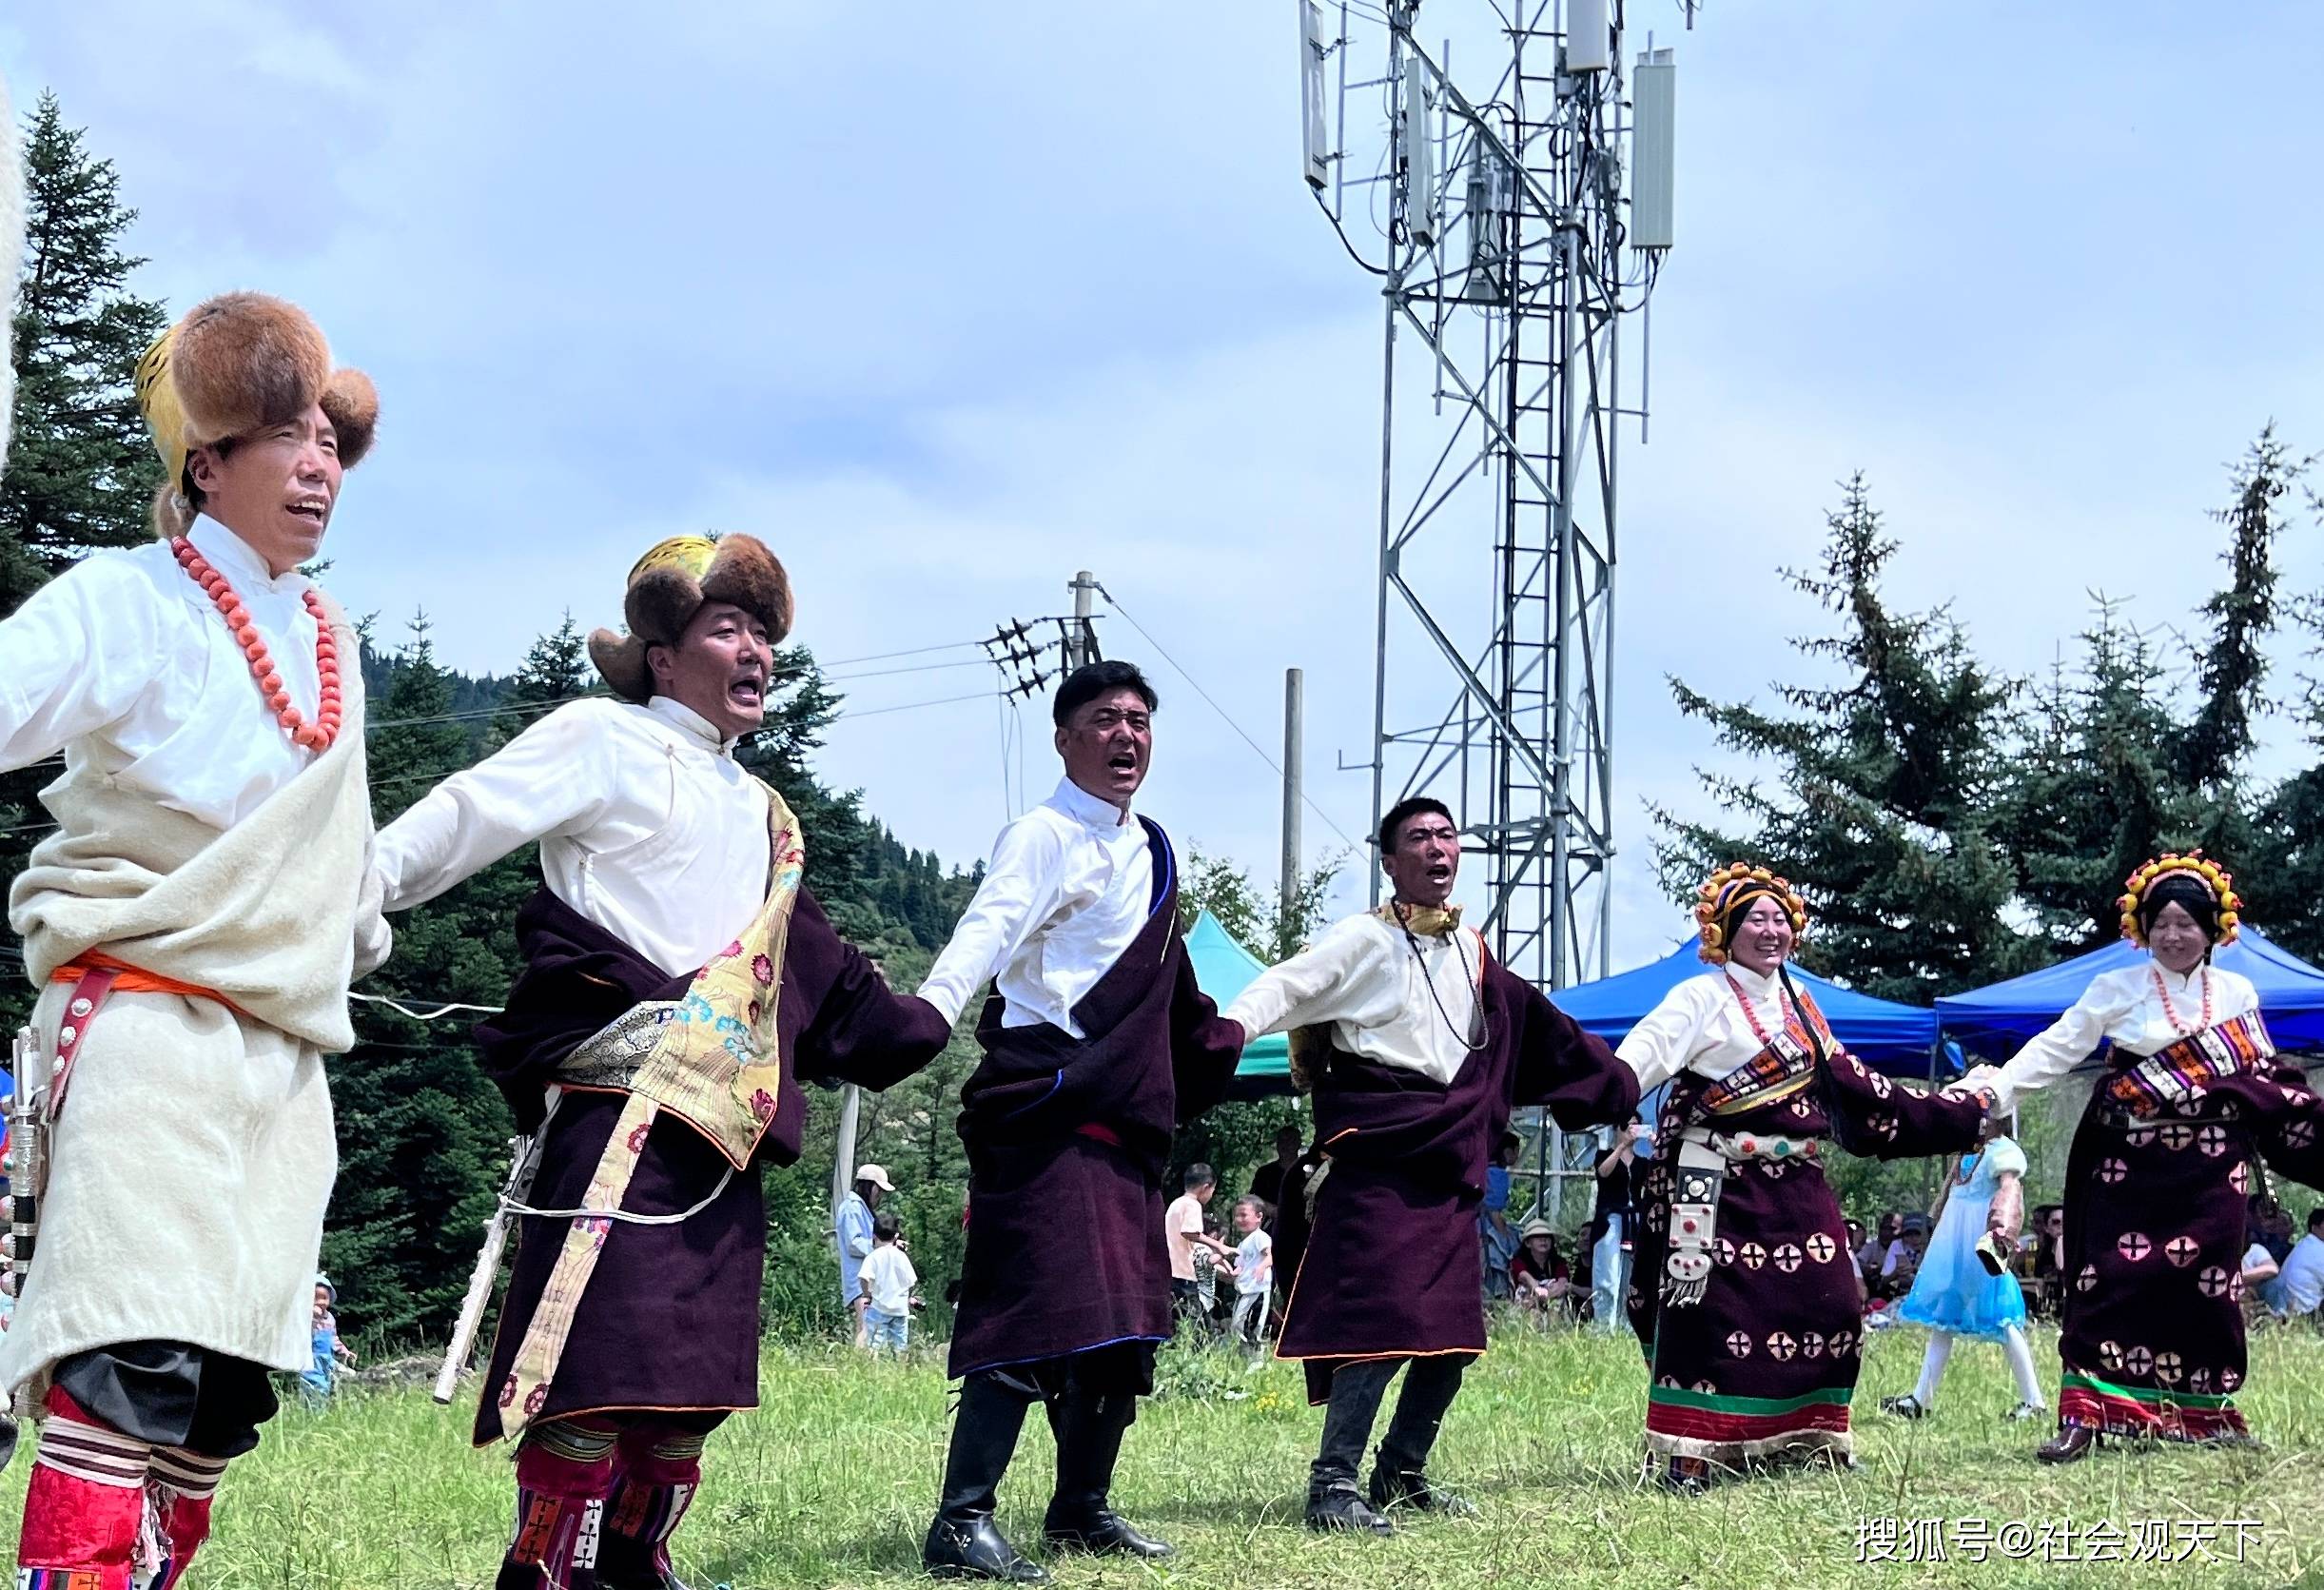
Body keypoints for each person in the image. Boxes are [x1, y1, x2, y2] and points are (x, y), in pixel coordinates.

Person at [371, 533, 952, 1590]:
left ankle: (641, 1564)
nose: (755, 651)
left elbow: (836, 987)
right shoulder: (602, 736)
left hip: (722, 1129)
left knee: (687, 1393)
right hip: (619, 1112)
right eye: (727, 628)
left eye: (764, 633)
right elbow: (466, 814)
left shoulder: (765, 816)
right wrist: (346, 894)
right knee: (596, 1381)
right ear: (662, 655)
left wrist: (948, 998)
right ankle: (546, 1573)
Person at [0, 293, 387, 1589]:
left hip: (283, 1053)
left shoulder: (330, 637)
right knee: (132, 1357)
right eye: (285, 435)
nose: (318, 464)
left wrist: (358, 924)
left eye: (329, 438)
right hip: (148, 1026)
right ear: (206, 461)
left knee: (221, 1392)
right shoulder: (125, 597)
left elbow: (340, 846)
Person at [913, 659, 1245, 1582]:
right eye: (1104, 718)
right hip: (1045, 1111)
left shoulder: (1154, 852)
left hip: (1122, 1126)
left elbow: (1170, 989)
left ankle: (1081, 1510)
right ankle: (960, 1522)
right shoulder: (1042, 834)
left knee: (1121, 1328)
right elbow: (986, 929)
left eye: (1139, 719)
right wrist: (931, 1008)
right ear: (1065, 739)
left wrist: (1222, 1039)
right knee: (1029, 1310)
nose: (1126, 734)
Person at [1225, 796, 1638, 1535]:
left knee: (1451, 1339)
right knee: (1377, 1329)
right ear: (1389, 860)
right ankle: (1331, 1486)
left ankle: (1401, 1472)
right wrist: (1225, 1032)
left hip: (1448, 1167)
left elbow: (1543, 1028)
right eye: (1418, 837)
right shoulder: (1362, 938)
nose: (1437, 847)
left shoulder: (1473, 950)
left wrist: (1615, 1080)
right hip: (1379, 1161)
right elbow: (1286, 986)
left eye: (1446, 834)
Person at [1616, 864, 1993, 1491]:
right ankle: (1690, 1449)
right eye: (1754, 919)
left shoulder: (1802, 1007)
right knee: (1704, 1311)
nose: (1770, 930)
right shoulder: (1699, 997)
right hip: (1712, 1183)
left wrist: (1957, 1111)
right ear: (1724, 930)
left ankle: (1809, 1436)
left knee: (1833, 1302)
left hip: (1794, 1180)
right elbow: (1642, 1055)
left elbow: (1860, 1091)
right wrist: (1605, 1088)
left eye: (1779, 919)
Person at [1965, 853, 2324, 1462]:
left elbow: (2261, 1079)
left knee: (2207, 1288)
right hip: (2126, 1161)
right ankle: (2086, 1414)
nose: (2173, 936)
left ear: (2212, 929)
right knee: (2107, 1279)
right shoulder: (2117, 987)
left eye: (2186, 923)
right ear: (2142, 928)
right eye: (2161, 923)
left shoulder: (2237, 992)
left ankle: (2205, 1414)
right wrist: (1991, 1093)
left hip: (2212, 1168)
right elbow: (2057, 1048)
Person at [1882, 1117, 2045, 1423]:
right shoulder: (1968, 1151)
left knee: (2002, 1319)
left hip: (1980, 1245)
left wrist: (2002, 1229)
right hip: (1955, 1246)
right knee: (1944, 1319)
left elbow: (2010, 1189)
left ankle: (2034, 1401)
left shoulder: (2002, 1152)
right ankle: (1921, 1398)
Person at [1589, 1118, 1648, 1335]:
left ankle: (1627, 1326)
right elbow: (1603, 1172)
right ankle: (1604, 1328)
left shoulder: (1642, 1162)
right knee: (1608, 1272)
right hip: (1610, 1220)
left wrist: (1657, 1144)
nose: (1631, 1130)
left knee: (1632, 1275)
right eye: (1627, 1125)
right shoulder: (1603, 1155)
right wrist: (1621, 1146)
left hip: (1635, 1221)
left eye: (1636, 1125)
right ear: (1616, 1129)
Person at [1165, 1164, 1234, 1330]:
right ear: (1206, 1187)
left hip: (1169, 1272)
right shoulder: (1192, 1205)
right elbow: (1189, 1232)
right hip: (1184, 1275)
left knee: (1173, 1322)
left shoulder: (1176, 1204)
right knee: (1193, 1325)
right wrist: (1219, 1246)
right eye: (1212, 1191)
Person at [837, 1164, 893, 1347]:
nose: (880, 1195)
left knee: (869, 1327)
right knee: (865, 1328)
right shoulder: (851, 1208)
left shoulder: (862, 1209)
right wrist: (882, 1246)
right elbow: (853, 1243)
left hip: (868, 1279)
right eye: (879, 1190)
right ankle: (859, 1360)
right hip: (859, 1279)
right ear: (869, 1186)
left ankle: (863, 1359)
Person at [860, 1213, 921, 1356]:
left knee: (874, 1345)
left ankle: (874, 1364)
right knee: (900, 1346)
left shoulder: (873, 1257)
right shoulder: (902, 1257)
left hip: (879, 1308)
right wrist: (907, 1297)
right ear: (896, 1236)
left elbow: (864, 1278)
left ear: (874, 1236)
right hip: (900, 1310)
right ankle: (899, 1364)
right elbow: (911, 1281)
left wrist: (867, 1294)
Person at [301, 1277, 359, 1408]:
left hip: (327, 1359)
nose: (320, 1302)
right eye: (316, 1298)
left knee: (326, 1385)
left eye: (324, 1298)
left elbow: (333, 1338)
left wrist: (344, 1351)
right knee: (313, 1385)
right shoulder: (306, 1315)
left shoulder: (330, 1318)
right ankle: (312, 1411)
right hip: (312, 1360)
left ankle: (321, 1411)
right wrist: (312, 1315)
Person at [2258, 1207, 2324, 1319]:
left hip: (2287, 1308)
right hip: (2305, 1312)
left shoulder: (2305, 1246)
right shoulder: (2317, 1249)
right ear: (2314, 1228)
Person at [1479, 1133, 1522, 1301]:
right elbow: (1494, 1212)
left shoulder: (1483, 1169)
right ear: (1507, 1152)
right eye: (1516, 1151)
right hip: (1486, 1229)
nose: (1517, 1157)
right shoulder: (1497, 1174)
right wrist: (1505, 1237)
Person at [1228, 1196, 1274, 1350]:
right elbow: (1241, 1266)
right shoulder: (1243, 1243)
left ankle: (1256, 1358)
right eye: (1237, 1215)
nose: (1239, 1219)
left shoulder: (1260, 1237)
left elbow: (1270, 1256)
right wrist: (1232, 1273)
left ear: (1259, 1217)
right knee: (1237, 1324)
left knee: (1253, 1325)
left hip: (1257, 1289)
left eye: (1244, 1215)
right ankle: (1243, 1355)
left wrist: (1262, 1267)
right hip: (1244, 1289)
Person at [1509, 1222, 1572, 1320]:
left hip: (1553, 1305)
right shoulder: (1518, 1262)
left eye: (1547, 1237)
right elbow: (1525, 1277)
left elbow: (1563, 1283)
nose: (1543, 1240)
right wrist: (1538, 1290)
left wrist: (1547, 1296)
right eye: (1538, 1236)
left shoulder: (1559, 1263)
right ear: (1528, 1243)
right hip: (1529, 1308)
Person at [1250, 1125, 1304, 1225]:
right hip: (1272, 1228)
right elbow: (1252, 1200)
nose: (1285, 1145)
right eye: (1281, 1141)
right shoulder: (1264, 1173)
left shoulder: (1308, 1172)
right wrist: (1270, 1209)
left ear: (1298, 1143)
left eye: (1290, 1141)